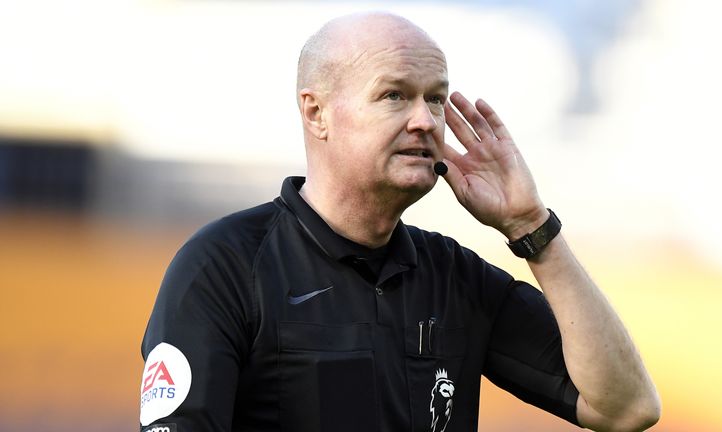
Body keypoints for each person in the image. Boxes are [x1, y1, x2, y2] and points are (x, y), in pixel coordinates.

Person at [139, 12, 660, 432]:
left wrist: (533, 228)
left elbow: (625, 408)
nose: (424, 120)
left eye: (435, 98)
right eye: (394, 95)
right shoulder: (224, 265)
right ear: (316, 112)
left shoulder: (455, 276)